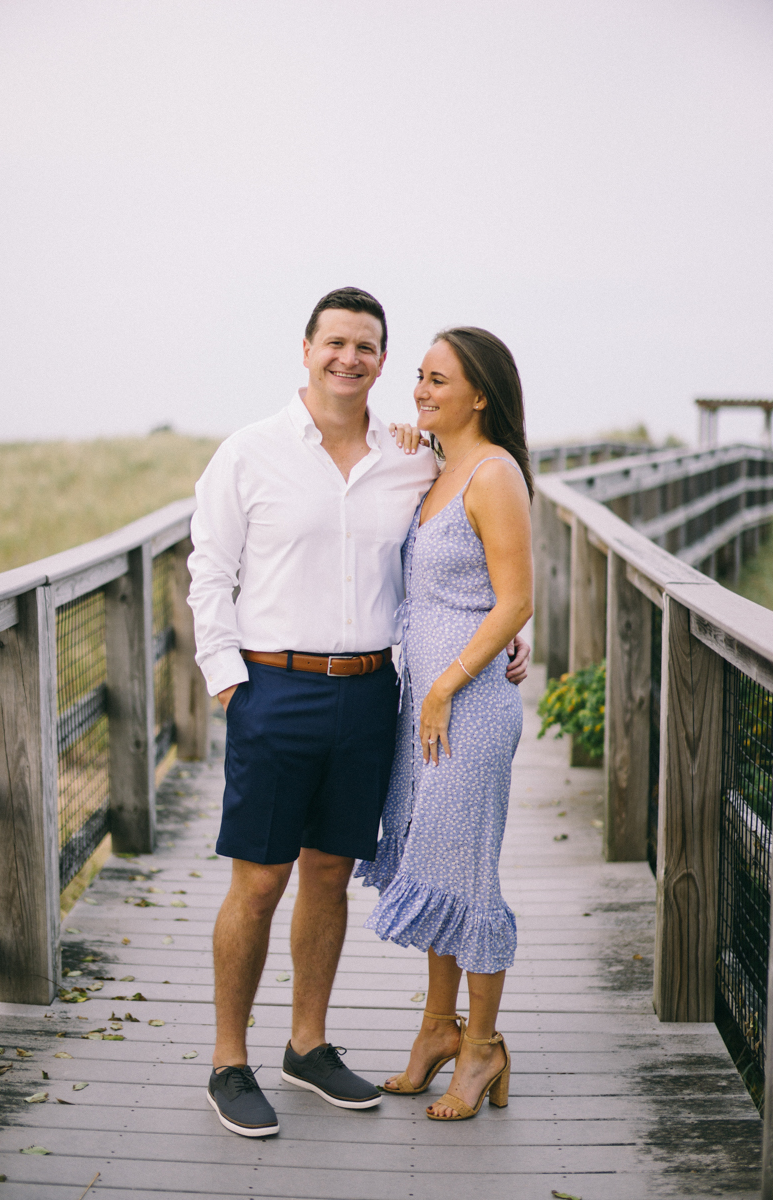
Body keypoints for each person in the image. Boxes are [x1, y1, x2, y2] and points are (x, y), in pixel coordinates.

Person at [187, 288, 531, 1139]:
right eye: (335, 342)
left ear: (380, 359)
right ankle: (230, 1060)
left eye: (368, 347)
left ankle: (307, 1046)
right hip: (275, 688)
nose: (351, 358)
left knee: (331, 873)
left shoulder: (411, 455)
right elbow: (207, 571)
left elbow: (485, 563)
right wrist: (230, 681)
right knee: (259, 880)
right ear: (305, 349)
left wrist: (513, 641)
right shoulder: (249, 453)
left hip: (376, 693)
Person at [356, 326, 534, 1122]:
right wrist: (402, 444)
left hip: (467, 707)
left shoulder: (493, 474)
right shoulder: (433, 466)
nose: (421, 391)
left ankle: (484, 1046)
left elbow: (515, 600)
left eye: (438, 380)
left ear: (481, 394)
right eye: (420, 378)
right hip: (424, 703)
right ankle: (436, 1030)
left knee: (467, 872)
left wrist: (448, 685)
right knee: (432, 862)